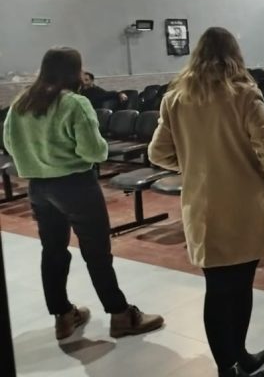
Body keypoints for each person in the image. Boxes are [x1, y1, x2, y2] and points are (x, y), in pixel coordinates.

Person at [3, 48, 163, 343]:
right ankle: (120, 315)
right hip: (76, 186)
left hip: (39, 188)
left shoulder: (21, 103)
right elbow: (94, 151)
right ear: (74, 72)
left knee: (52, 251)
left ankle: (63, 315)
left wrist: (40, 159)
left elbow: (9, 145)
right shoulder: (74, 104)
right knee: (96, 253)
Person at [148, 27, 264, 377]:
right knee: (241, 285)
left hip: (203, 205)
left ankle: (231, 363)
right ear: (234, 53)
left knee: (217, 288)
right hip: (245, 202)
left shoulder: (176, 97)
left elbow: (157, 152)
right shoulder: (244, 93)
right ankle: (237, 359)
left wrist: (194, 166)